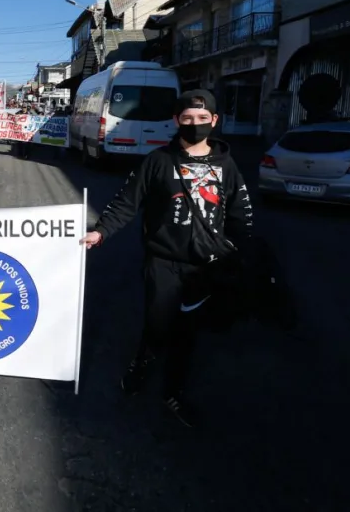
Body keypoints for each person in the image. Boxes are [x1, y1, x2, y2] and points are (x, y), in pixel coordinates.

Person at [79, 90, 254, 428]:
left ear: (214, 121)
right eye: (187, 118)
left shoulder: (227, 165)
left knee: (188, 332)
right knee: (158, 323)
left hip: (206, 266)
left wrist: (237, 252)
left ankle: (174, 391)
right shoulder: (158, 161)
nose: (195, 124)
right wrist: (100, 231)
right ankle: (142, 362)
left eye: (203, 119)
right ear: (176, 120)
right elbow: (127, 202)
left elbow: (240, 214)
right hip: (163, 262)